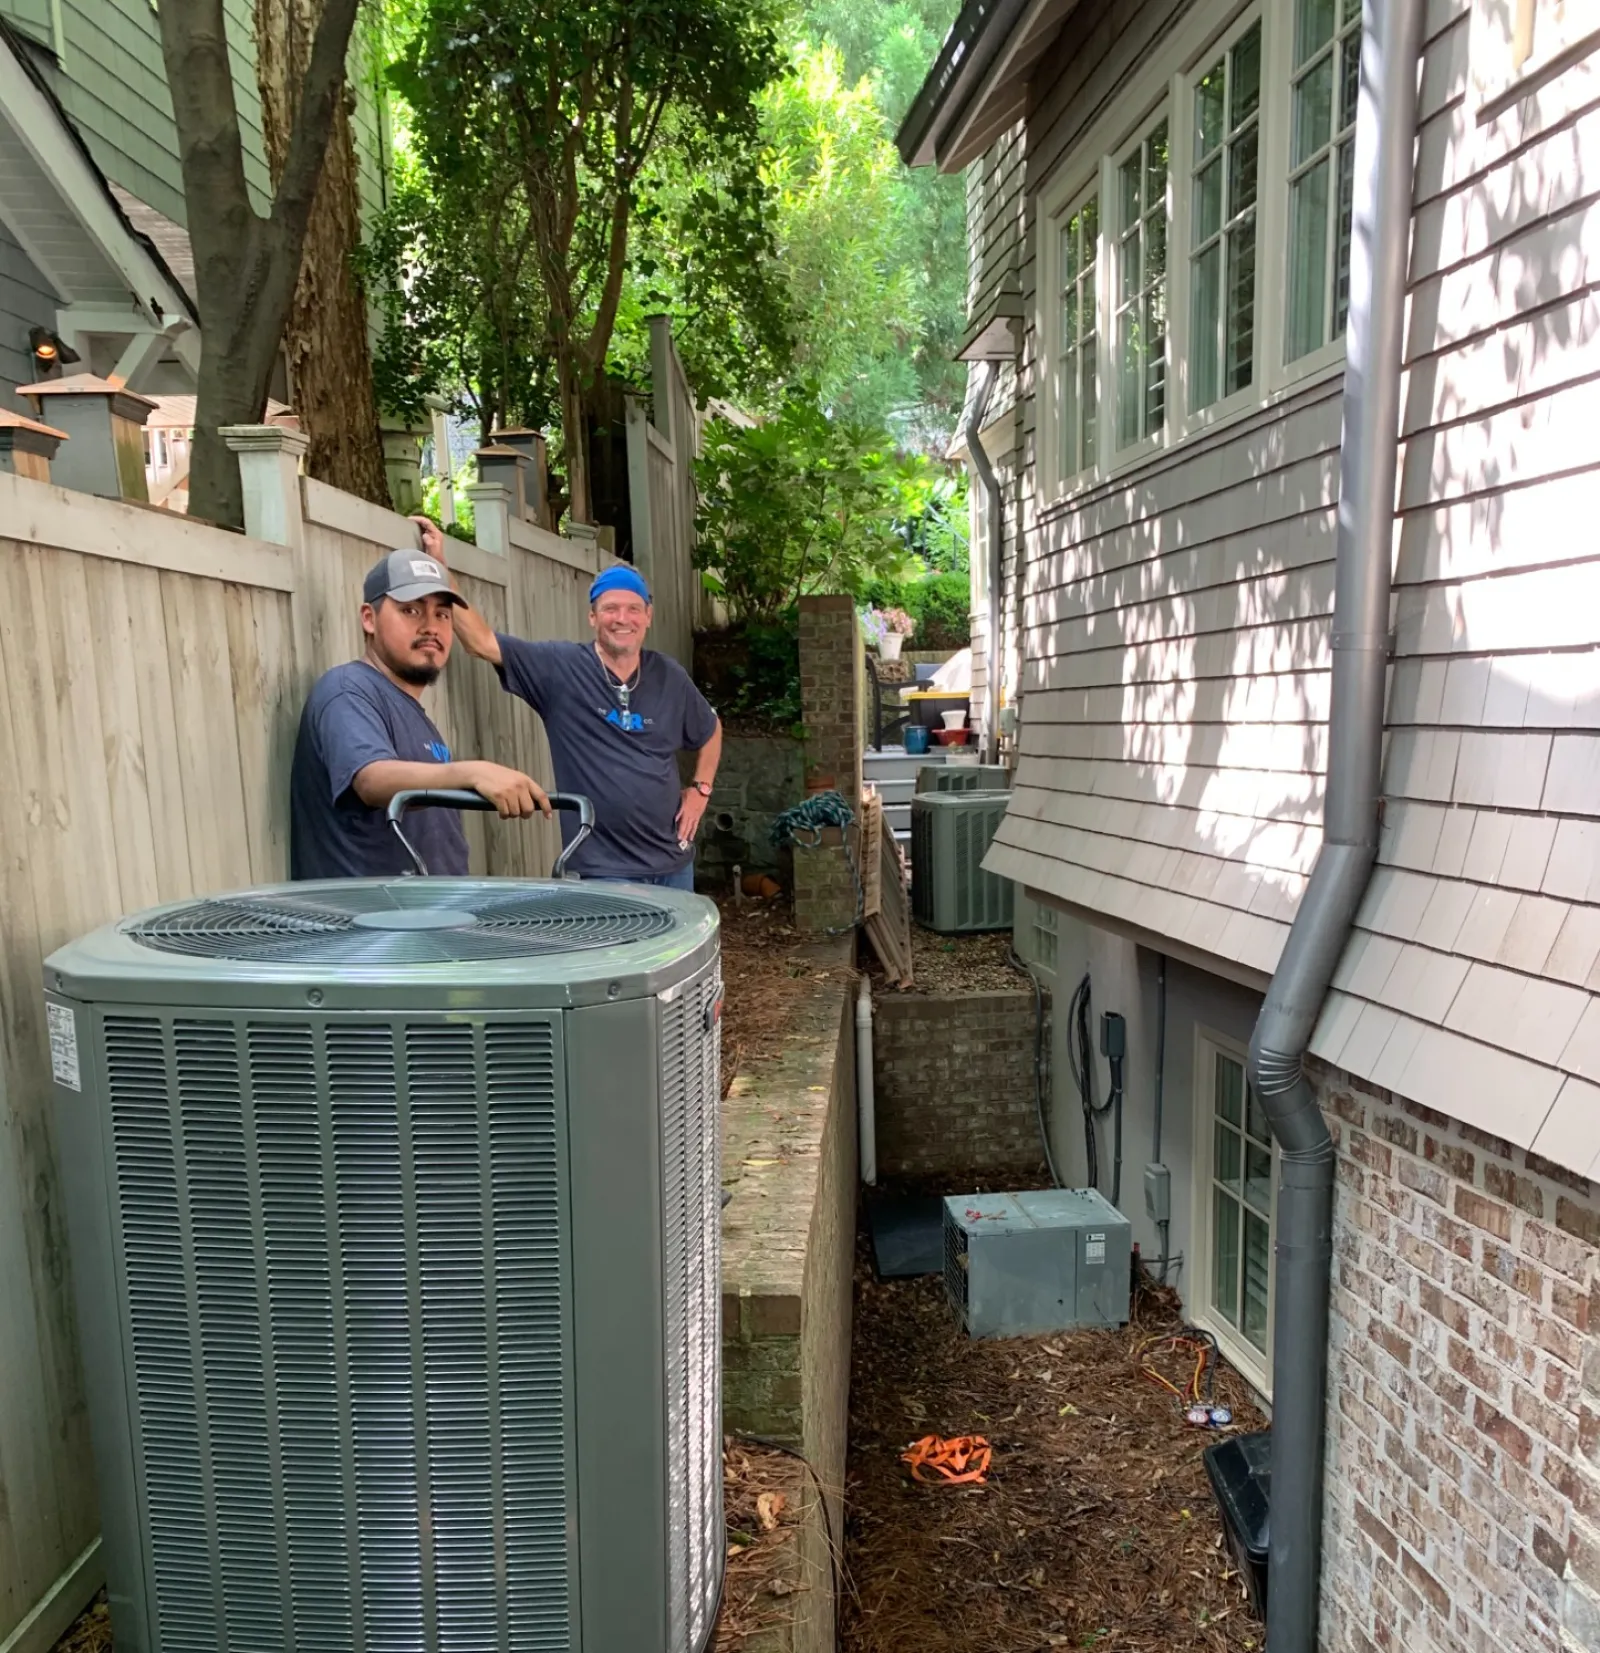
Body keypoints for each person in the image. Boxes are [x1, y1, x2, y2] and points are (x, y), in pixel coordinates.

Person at [445, 553, 721, 888]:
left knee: (683, 944)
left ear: (647, 616)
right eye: (610, 608)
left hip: (673, 864)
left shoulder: (669, 676)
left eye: (634, 608)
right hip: (601, 870)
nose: (623, 618)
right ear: (593, 616)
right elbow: (480, 643)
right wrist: (442, 571)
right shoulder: (559, 668)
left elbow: (711, 728)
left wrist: (700, 790)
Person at [289, 545, 550, 880]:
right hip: (372, 924)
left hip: (429, 919)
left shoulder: (414, 715)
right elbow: (372, 779)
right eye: (411, 611)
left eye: (442, 614)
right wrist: (475, 772)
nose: (431, 626)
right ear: (369, 618)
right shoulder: (346, 689)